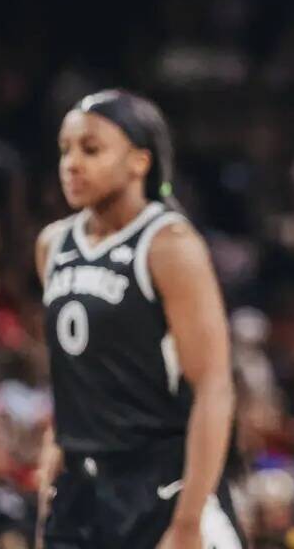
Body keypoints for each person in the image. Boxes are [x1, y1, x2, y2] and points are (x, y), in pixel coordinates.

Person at [33, 90, 244, 549]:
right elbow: (68, 380)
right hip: (79, 489)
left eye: (91, 149)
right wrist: (50, 480)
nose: (72, 163)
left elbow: (214, 386)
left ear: (139, 162)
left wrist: (188, 521)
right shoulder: (52, 244)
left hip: (159, 485)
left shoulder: (168, 244)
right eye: (65, 150)